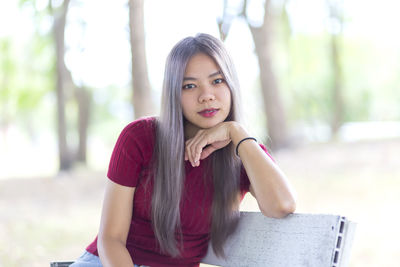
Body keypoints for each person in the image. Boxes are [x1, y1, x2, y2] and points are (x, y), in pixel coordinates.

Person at [70, 33, 296, 267]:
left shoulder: (245, 153)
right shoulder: (139, 137)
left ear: (232, 85)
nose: (206, 95)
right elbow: (111, 239)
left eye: (217, 81)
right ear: (174, 95)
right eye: (189, 86)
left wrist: (237, 132)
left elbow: (282, 205)